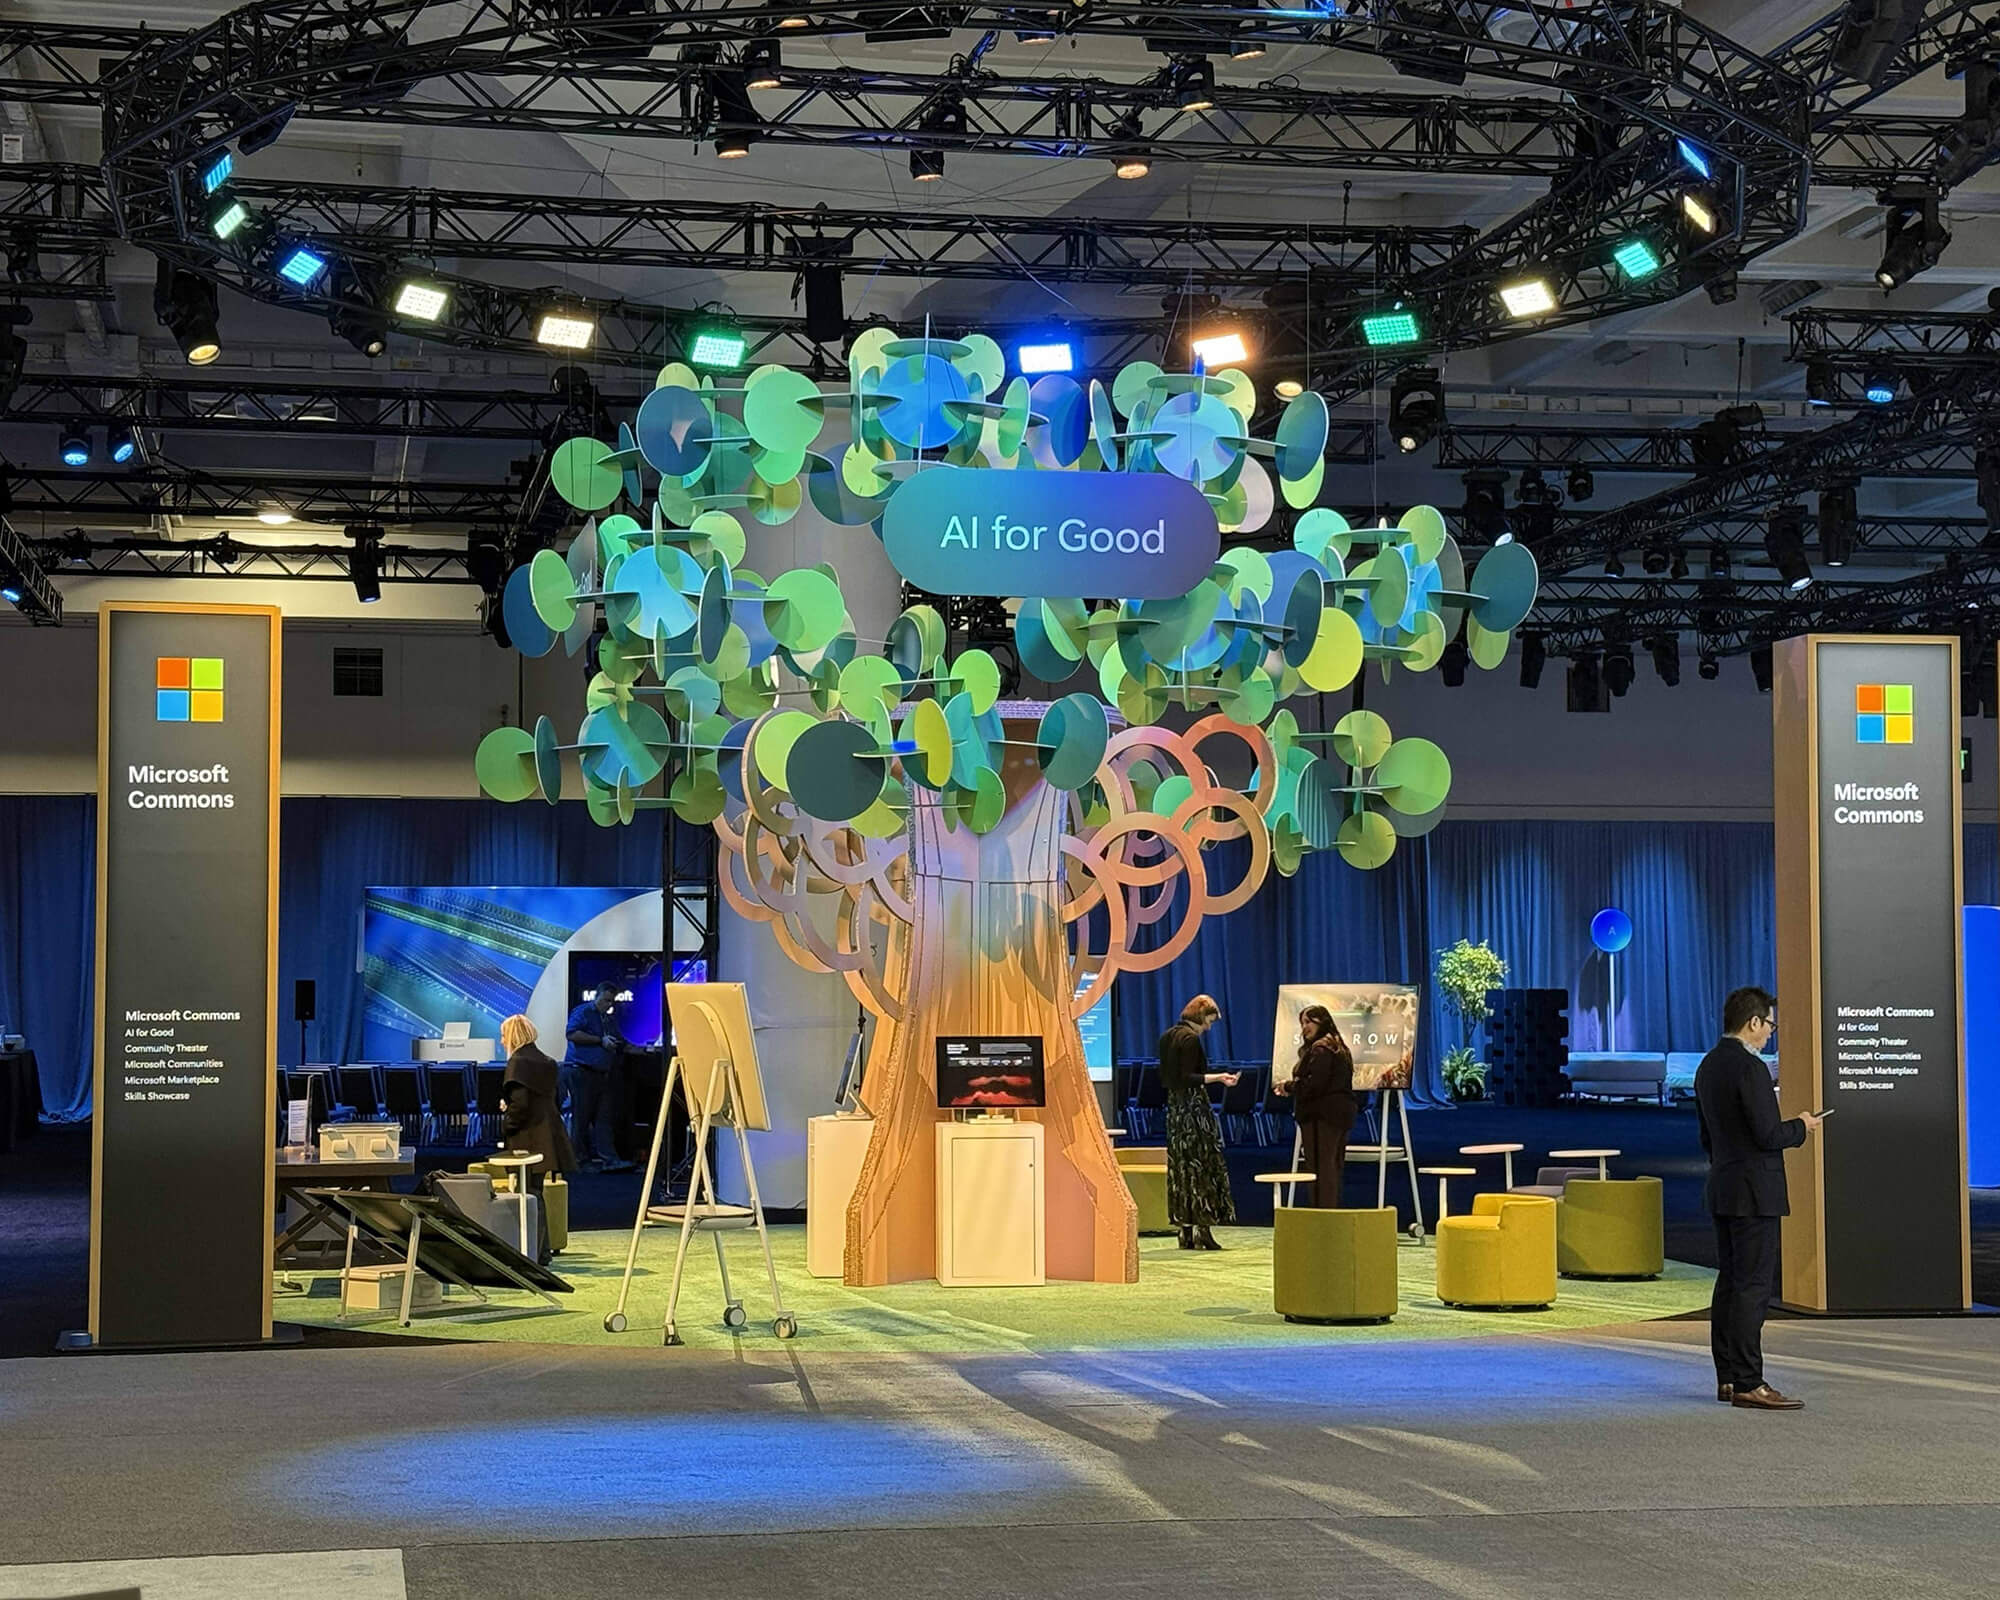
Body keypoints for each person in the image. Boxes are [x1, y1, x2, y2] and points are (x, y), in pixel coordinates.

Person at [1695, 985, 1824, 1411]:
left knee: (1730, 1284)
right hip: (1755, 1192)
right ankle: (1750, 1381)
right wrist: (1802, 1126)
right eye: (1770, 1025)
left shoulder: (1708, 1065)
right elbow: (1768, 1134)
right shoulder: (1750, 1069)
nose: (1770, 1033)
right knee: (1752, 1287)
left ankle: (1729, 1378)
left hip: (1724, 1185)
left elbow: (1707, 1137)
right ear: (1753, 1022)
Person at [1158, 994, 1238, 1250]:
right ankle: (1203, 1229)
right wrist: (1220, 1077)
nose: (1209, 1028)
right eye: (1209, 1021)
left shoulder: (1167, 1036)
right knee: (1201, 1165)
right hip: (1193, 1109)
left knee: (1181, 1168)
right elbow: (1189, 1077)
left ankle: (1185, 1231)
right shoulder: (1190, 1040)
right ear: (1201, 1017)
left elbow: (1169, 1078)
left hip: (1175, 1110)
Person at [498, 1013, 574, 1262]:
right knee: (535, 1192)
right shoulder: (548, 1062)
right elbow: (554, 1098)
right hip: (547, 1135)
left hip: (527, 1137)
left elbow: (520, 1104)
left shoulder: (517, 1063)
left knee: (528, 1194)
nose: (501, 1041)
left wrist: (507, 1121)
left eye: (503, 1036)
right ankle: (541, 1250)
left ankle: (535, 1252)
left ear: (512, 1036)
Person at [1288, 1004, 1357, 1208]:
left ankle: (1323, 1214)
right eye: (1302, 1023)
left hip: (1322, 1116)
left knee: (1321, 1168)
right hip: (1338, 1115)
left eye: (1309, 1022)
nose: (1304, 1027)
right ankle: (1329, 1212)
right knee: (1332, 1167)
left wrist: (1289, 1086)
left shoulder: (1321, 1049)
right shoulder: (1338, 1046)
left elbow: (1315, 1085)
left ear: (1321, 1022)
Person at [563, 983, 632, 1172]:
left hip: (601, 1074)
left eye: (611, 1001)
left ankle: (609, 1159)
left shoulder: (608, 1019)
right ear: (597, 996)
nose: (608, 1005)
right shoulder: (583, 1012)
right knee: (581, 1118)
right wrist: (599, 1041)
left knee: (603, 1118)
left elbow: (620, 1041)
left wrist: (637, 1048)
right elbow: (571, 1033)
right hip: (581, 1071)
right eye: (605, 1000)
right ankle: (578, 1161)